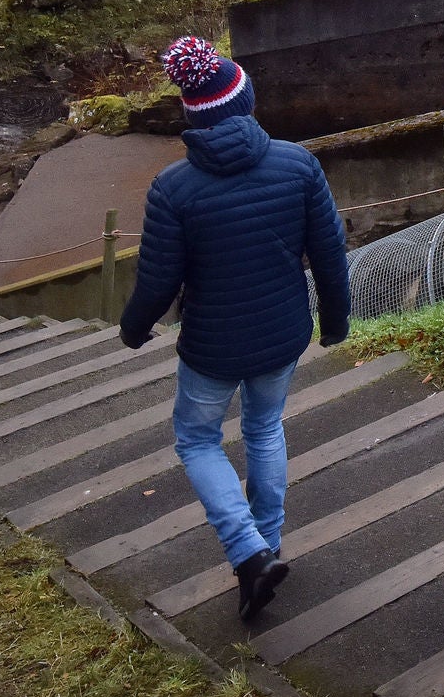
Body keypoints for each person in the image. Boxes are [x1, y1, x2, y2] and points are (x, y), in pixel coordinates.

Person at [116, 38, 350, 627]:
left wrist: (134, 328)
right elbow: (329, 252)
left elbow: (158, 278)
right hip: (281, 332)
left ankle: (248, 553)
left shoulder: (173, 187)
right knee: (265, 427)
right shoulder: (298, 163)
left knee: (197, 439)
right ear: (245, 102)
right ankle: (265, 548)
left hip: (212, 346)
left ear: (194, 117)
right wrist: (337, 321)